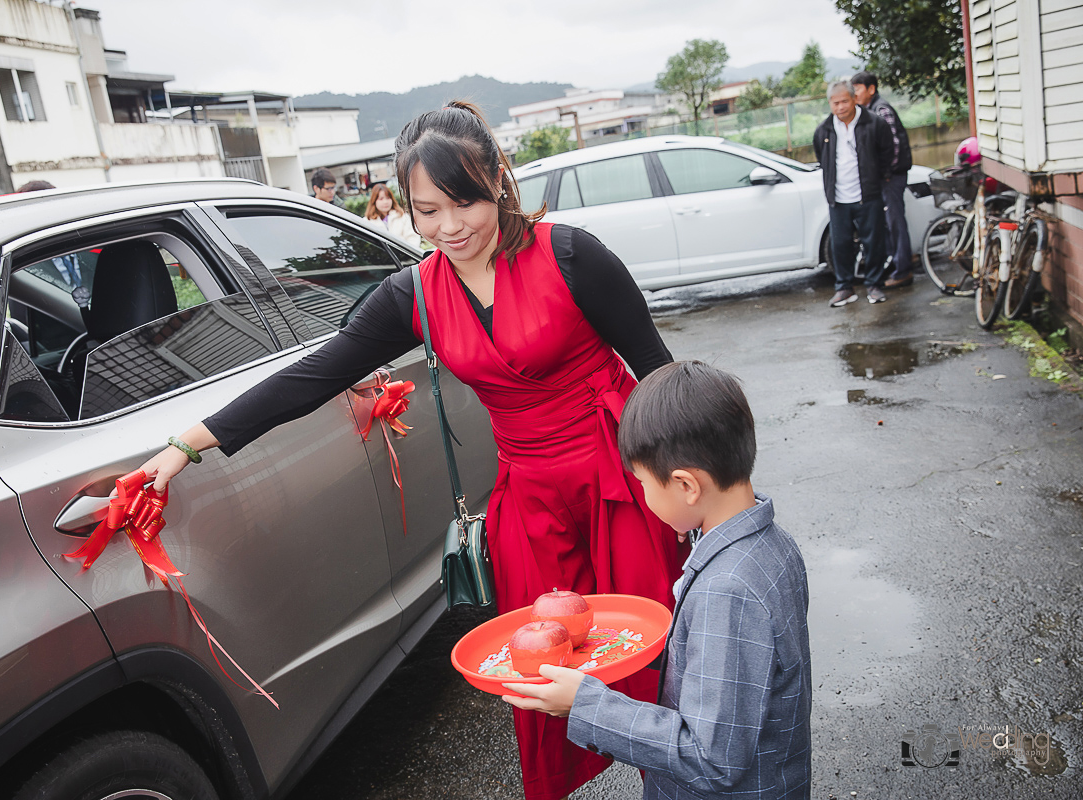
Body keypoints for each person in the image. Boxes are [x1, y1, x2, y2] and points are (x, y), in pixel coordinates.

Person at [135, 100, 682, 800]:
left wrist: (706, 494)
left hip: (619, 477)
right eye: (426, 211)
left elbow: (659, 374)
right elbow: (316, 374)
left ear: (499, 182)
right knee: (545, 673)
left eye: (465, 203)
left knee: (649, 666)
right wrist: (187, 445)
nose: (449, 228)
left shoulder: (572, 256)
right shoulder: (415, 293)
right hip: (530, 503)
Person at [503, 361, 812, 800]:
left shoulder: (729, 588)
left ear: (686, 485)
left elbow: (711, 758)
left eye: (644, 484)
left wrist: (586, 704)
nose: (644, 498)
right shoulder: (772, 544)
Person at [814, 81, 894, 307]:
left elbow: (887, 152)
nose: (840, 107)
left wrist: (880, 177)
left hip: (867, 194)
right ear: (830, 103)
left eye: (844, 101)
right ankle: (844, 288)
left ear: (854, 100)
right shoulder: (824, 130)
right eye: (835, 102)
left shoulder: (873, 123)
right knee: (840, 244)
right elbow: (823, 158)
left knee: (874, 242)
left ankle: (874, 285)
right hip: (838, 198)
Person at [851, 72, 914, 288]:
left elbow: (894, 144)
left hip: (892, 176)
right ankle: (896, 264)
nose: (854, 94)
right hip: (884, 177)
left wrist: (886, 173)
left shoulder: (881, 109)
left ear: (871, 89)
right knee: (887, 223)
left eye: (857, 88)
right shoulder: (868, 111)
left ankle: (903, 271)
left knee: (895, 222)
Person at [364, 182, 422, 248]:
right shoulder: (367, 222)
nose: (385, 202)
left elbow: (413, 240)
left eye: (388, 198)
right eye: (381, 199)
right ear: (374, 201)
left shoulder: (402, 217)